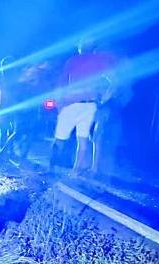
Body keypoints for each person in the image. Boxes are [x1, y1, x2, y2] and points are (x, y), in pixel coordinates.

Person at [50, 38, 118, 175]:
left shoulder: (73, 60)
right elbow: (114, 81)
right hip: (87, 104)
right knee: (82, 139)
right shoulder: (98, 62)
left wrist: (59, 102)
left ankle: (55, 168)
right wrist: (105, 97)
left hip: (76, 103)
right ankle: (74, 170)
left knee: (64, 138)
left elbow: (62, 83)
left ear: (81, 47)